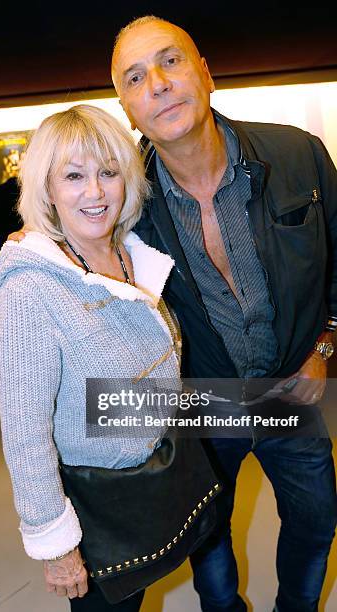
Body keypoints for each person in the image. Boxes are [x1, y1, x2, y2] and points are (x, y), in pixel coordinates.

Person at [109, 15, 337, 612]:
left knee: (316, 524)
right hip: (202, 400)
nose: (156, 83)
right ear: (128, 109)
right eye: (135, 77)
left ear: (206, 74)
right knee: (207, 540)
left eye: (171, 61)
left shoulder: (298, 155)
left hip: (294, 387)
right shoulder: (124, 207)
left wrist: (326, 351)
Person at [0, 104, 215, 611]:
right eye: (73, 176)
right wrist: (56, 544)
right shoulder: (30, 289)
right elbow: (24, 433)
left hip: (151, 484)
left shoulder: (129, 251)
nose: (95, 192)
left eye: (108, 173)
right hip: (98, 509)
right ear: (46, 188)